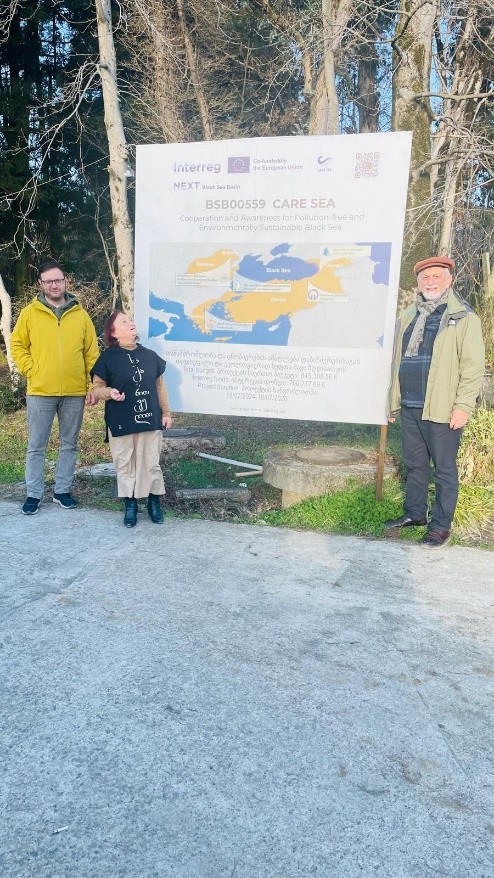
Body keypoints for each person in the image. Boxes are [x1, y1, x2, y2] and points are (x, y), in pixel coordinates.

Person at [385, 255, 485, 547]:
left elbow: (472, 367)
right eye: (425, 278)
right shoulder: (408, 316)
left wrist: (463, 406)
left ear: (449, 280)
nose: (430, 282)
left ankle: (441, 526)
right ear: (418, 283)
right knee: (415, 465)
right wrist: (392, 402)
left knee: (443, 469)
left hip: (442, 408)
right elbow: (396, 361)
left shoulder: (463, 317)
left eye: (436, 277)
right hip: (411, 405)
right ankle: (415, 513)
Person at [11, 259, 99, 515]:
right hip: (40, 391)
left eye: (58, 280)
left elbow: (91, 353)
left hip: (74, 391)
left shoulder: (80, 315)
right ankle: (33, 494)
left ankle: (62, 491)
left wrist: (92, 384)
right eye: (48, 281)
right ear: (41, 284)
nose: (54, 285)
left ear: (65, 281)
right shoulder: (30, 313)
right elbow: (17, 344)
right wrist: (31, 369)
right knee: (36, 445)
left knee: (69, 444)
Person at [88, 311, 172, 527]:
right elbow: (96, 389)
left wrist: (166, 413)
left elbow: (160, 387)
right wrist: (110, 393)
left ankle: (154, 502)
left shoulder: (150, 356)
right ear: (113, 332)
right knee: (125, 463)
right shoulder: (107, 358)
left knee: (151, 462)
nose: (131, 323)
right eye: (124, 322)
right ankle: (130, 504)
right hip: (120, 419)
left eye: (131, 320)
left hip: (150, 417)